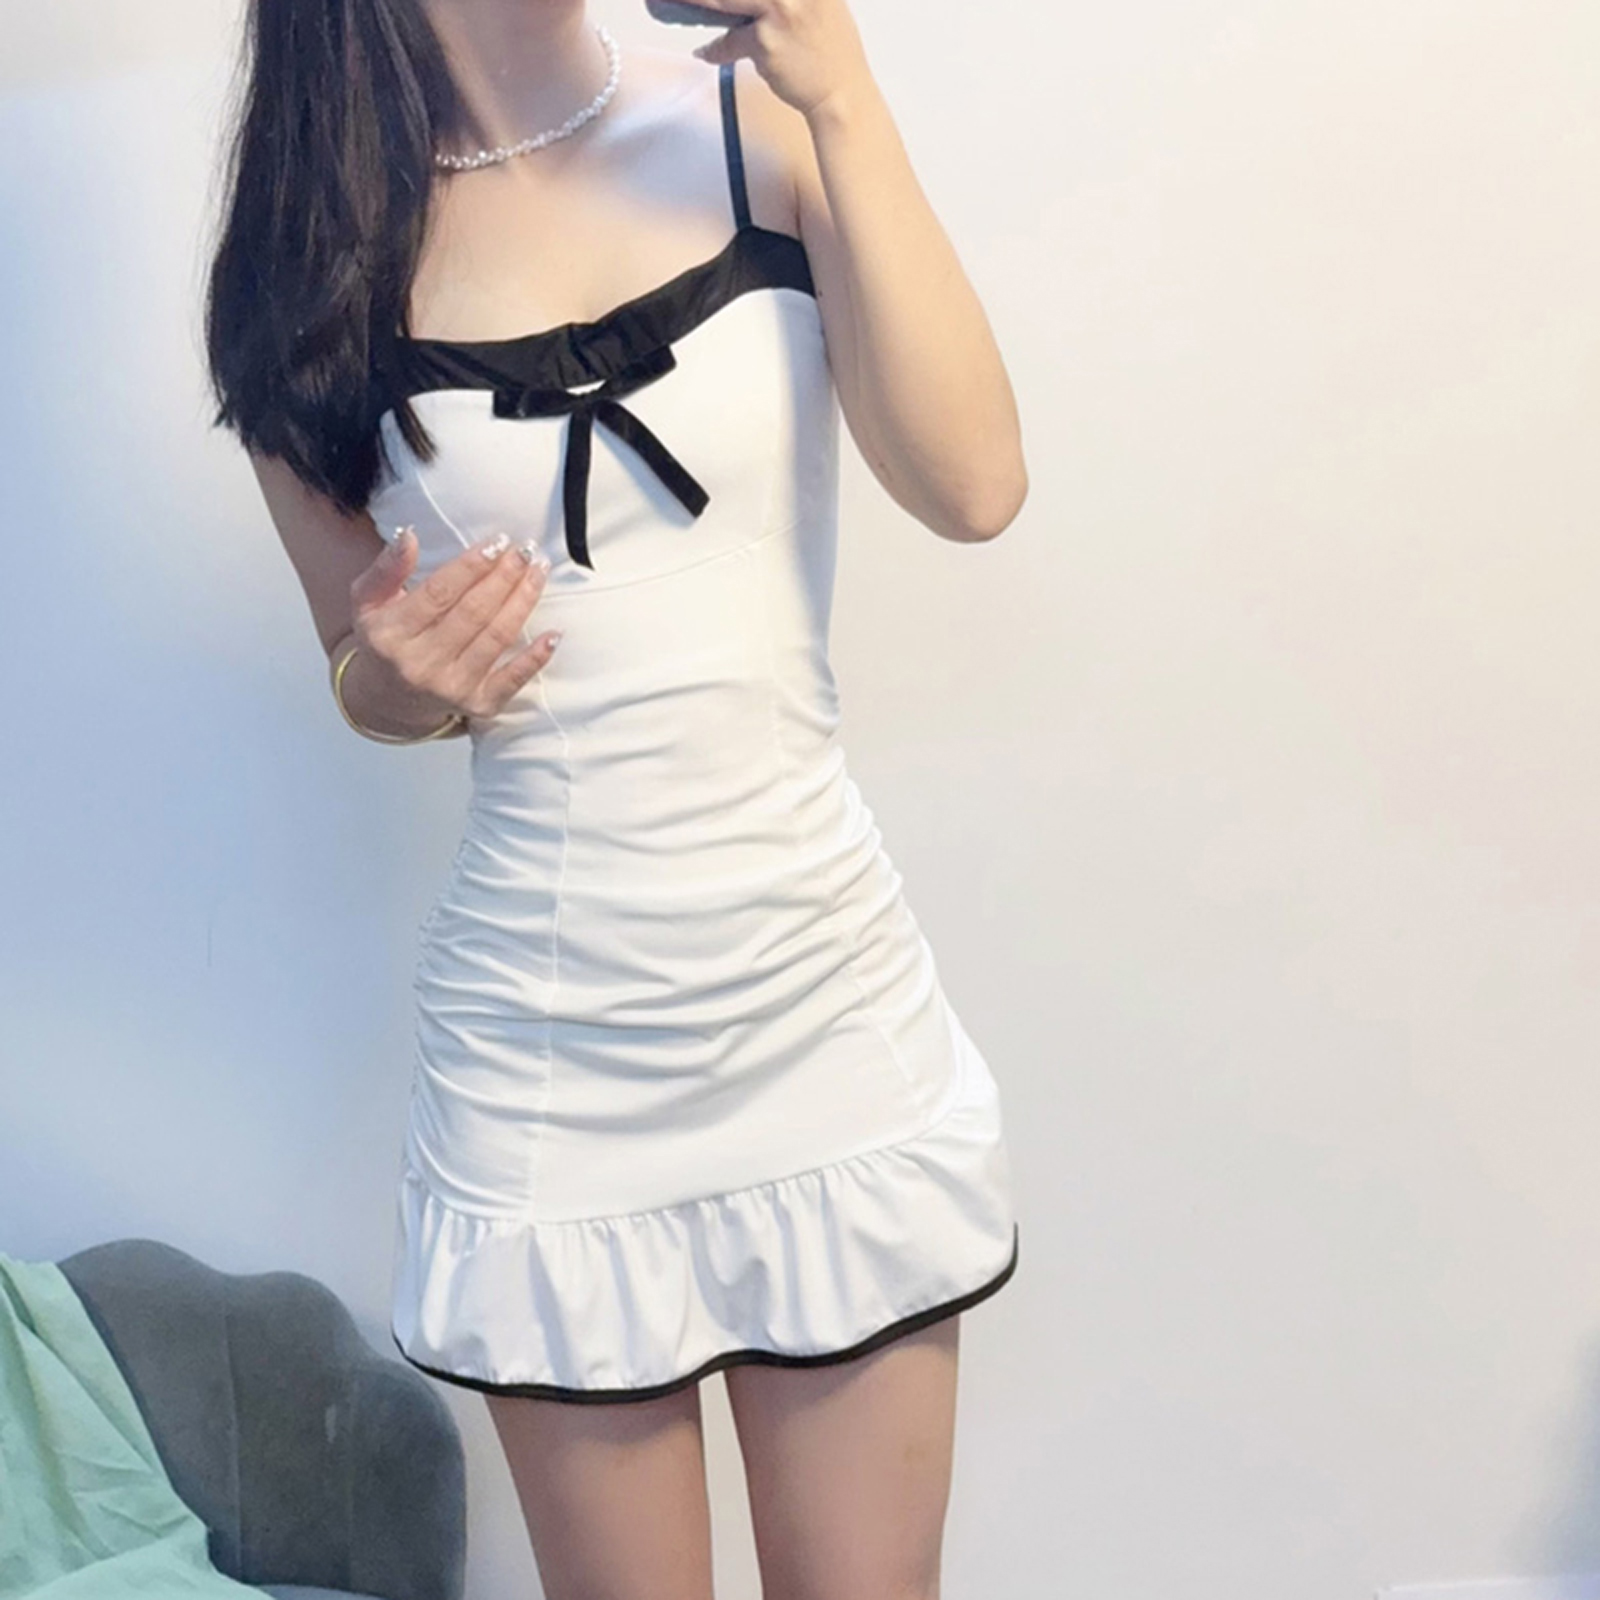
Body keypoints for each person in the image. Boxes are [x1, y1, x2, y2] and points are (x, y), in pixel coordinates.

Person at [205, 2, 1027, 1596]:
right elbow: (361, 670)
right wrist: (405, 675)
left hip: (823, 1003)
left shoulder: (760, 122)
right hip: (551, 1062)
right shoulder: (305, 266)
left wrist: (846, 95)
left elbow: (975, 483)